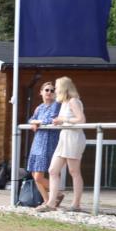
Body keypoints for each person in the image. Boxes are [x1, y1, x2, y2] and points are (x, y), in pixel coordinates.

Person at [37, 77, 86, 212]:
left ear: (64, 88)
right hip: (64, 137)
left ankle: (76, 204)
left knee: (74, 171)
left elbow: (81, 120)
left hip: (74, 137)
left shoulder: (73, 101)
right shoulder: (64, 103)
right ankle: (51, 203)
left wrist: (63, 119)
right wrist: (59, 121)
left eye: (57, 88)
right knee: (53, 170)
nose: (55, 90)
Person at [26, 82, 61, 203]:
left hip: (48, 140)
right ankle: (47, 200)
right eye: (47, 90)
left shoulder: (56, 105)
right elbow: (31, 119)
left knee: (39, 175)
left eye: (52, 91)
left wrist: (37, 122)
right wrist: (34, 121)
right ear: (41, 92)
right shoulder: (39, 107)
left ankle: (58, 193)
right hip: (38, 141)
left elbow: (50, 119)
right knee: (34, 173)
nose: (49, 93)